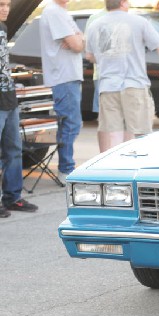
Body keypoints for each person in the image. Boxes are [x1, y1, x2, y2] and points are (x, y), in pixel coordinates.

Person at [85, 0, 159, 153]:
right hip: (135, 84)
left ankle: (114, 170)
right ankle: (136, 169)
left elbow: (89, 56)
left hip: (108, 86)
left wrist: (106, 59)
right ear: (123, 3)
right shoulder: (139, 21)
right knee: (141, 133)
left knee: (112, 133)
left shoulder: (95, 25)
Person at [39, 0, 84, 185]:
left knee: (72, 123)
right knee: (70, 123)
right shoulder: (54, 12)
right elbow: (78, 45)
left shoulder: (62, 11)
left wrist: (78, 37)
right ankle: (66, 169)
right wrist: (77, 38)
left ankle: (66, 167)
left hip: (69, 76)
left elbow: (79, 40)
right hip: (63, 77)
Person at [0, 0, 38, 217]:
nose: (5, 9)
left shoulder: (4, 28)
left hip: (9, 100)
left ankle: (13, 197)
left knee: (14, 150)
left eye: (7, 5)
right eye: (1, 5)